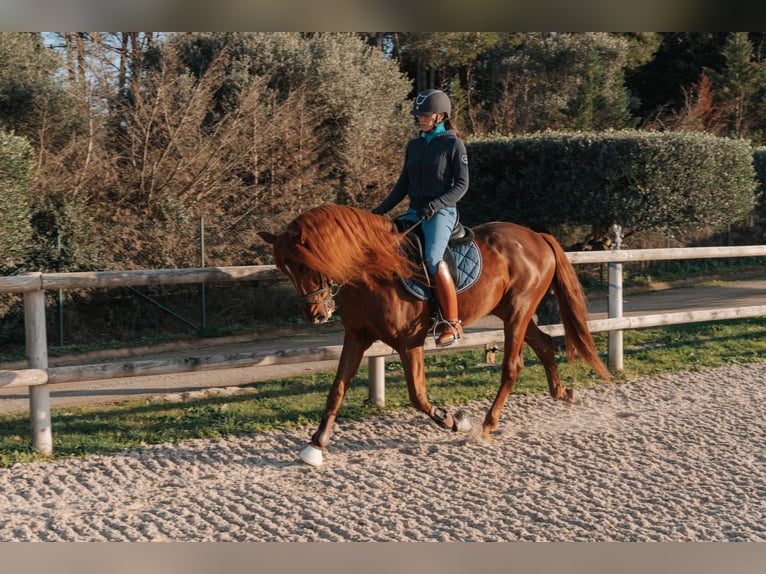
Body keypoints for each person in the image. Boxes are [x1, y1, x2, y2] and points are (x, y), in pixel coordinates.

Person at [372, 89, 469, 347]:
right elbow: (402, 185)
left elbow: (461, 185)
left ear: (440, 116)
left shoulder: (453, 144)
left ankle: (452, 322)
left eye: (425, 115)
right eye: (418, 115)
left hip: (442, 212)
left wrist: (437, 204)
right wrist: (378, 212)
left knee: (432, 258)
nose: (420, 119)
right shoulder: (414, 145)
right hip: (415, 210)